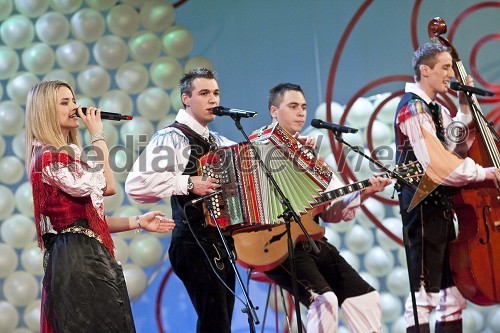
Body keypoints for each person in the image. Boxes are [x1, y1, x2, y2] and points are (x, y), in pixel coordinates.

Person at [25, 80, 175, 333]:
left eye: (73, 100)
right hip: (77, 260)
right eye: (65, 103)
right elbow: (109, 185)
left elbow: (88, 222)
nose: (75, 107)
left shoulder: (66, 154)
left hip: (86, 252)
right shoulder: (50, 158)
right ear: (46, 111)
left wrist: (138, 221)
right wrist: (98, 136)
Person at [253, 83, 392, 332]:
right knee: (324, 300)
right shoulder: (257, 145)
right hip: (276, 246)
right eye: (293, 106)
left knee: (366, 298)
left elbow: (332, 212)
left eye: (304, 107)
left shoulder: (311, 157)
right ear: (274, 111)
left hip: (311, 240)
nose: (301, 113)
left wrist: (364, 192)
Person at [394, 43, 500, 333]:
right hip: (422, 205)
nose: (450, 74)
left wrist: (464, 105)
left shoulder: (435, 108)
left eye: (451, 67)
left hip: (439, 205)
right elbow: (438, 164)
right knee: (423, 294)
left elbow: (454, 146)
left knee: (451, 296)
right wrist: (484, 173)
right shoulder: (412, 109)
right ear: (424, 71)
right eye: (444, 67)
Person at [126, 68, 237, 333]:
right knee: (215, 324)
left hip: (220, 242)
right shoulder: (172, 137)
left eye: (216, 93)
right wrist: (186, 182)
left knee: (220, 324)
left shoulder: (218, 141)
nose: (213, 100)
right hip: (192, 242)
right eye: (204, 93)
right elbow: (136, 184)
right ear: (186, 98)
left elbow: (252, 154)